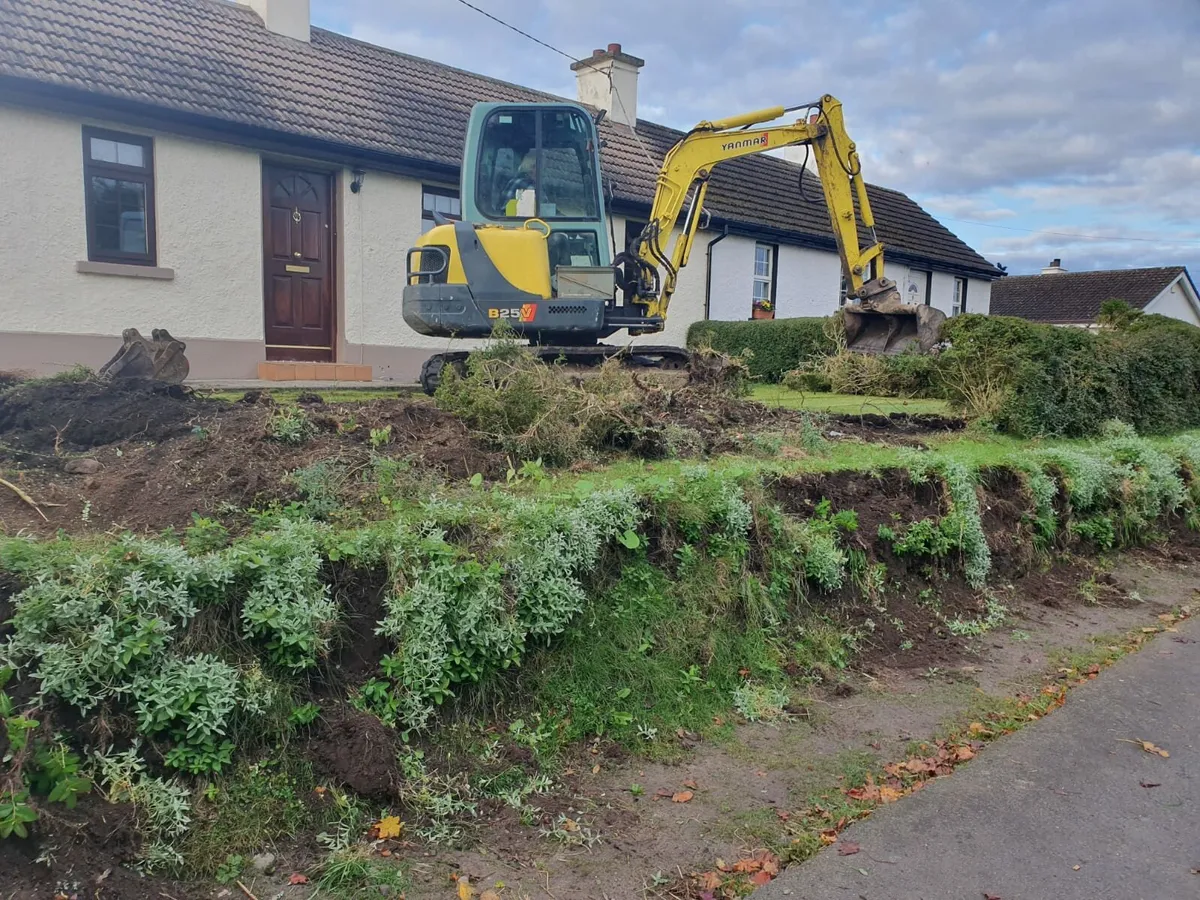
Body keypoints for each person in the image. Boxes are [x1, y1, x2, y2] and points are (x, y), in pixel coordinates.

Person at [502, 148, 537, 216]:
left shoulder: (536, 184)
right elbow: (507, 211)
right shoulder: (522, 184)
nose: (540, 170)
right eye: (534, 166)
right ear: (529, 167)